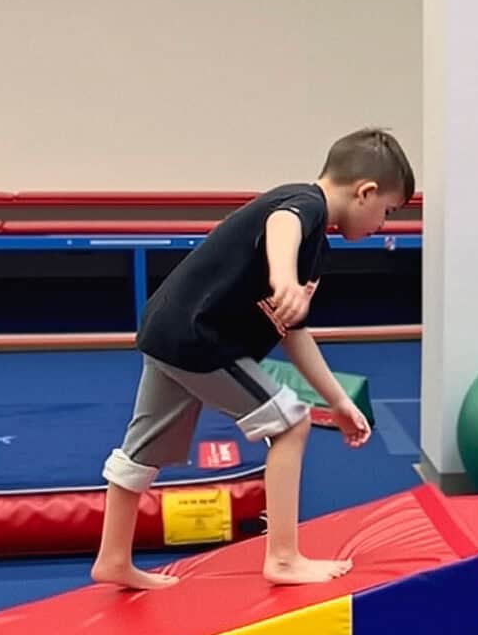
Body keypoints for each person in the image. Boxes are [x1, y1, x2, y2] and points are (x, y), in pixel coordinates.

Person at [91, 128, 415, 589]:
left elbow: (294, 334)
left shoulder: (316, 248)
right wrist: (283, 277)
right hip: (199, 338)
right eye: (387, 211)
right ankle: (283, 557)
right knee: (291, 423)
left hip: (167, 329)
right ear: (365, 192)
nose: (384, 224)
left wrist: (338, 400)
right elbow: (281, 224)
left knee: (142, 450)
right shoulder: (304, 203)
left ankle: (113, 559)